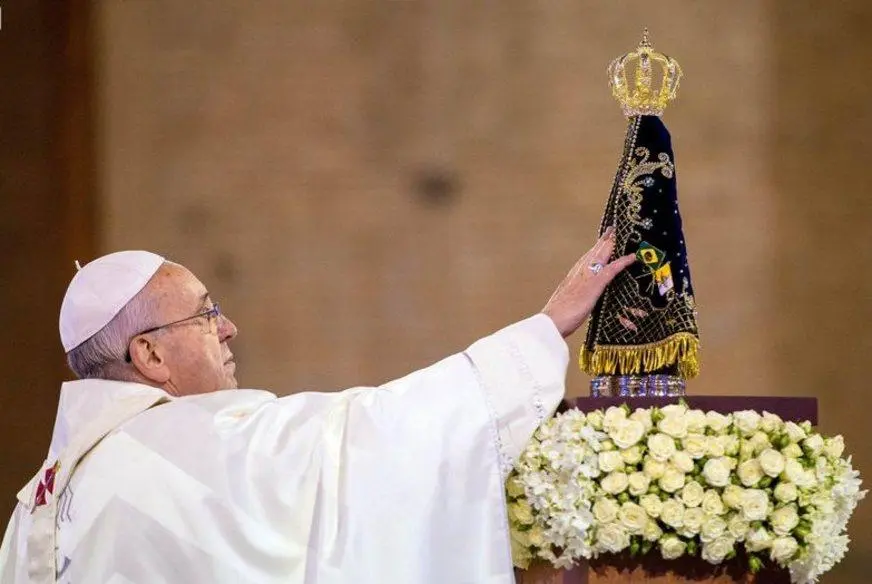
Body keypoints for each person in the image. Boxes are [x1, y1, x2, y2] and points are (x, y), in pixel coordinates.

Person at [0, 227, 633, 583]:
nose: (229, 328)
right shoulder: (199, 444)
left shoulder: (37, 507)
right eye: (206, 313)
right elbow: (368, 438)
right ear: (151, 357)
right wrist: (543, 330)